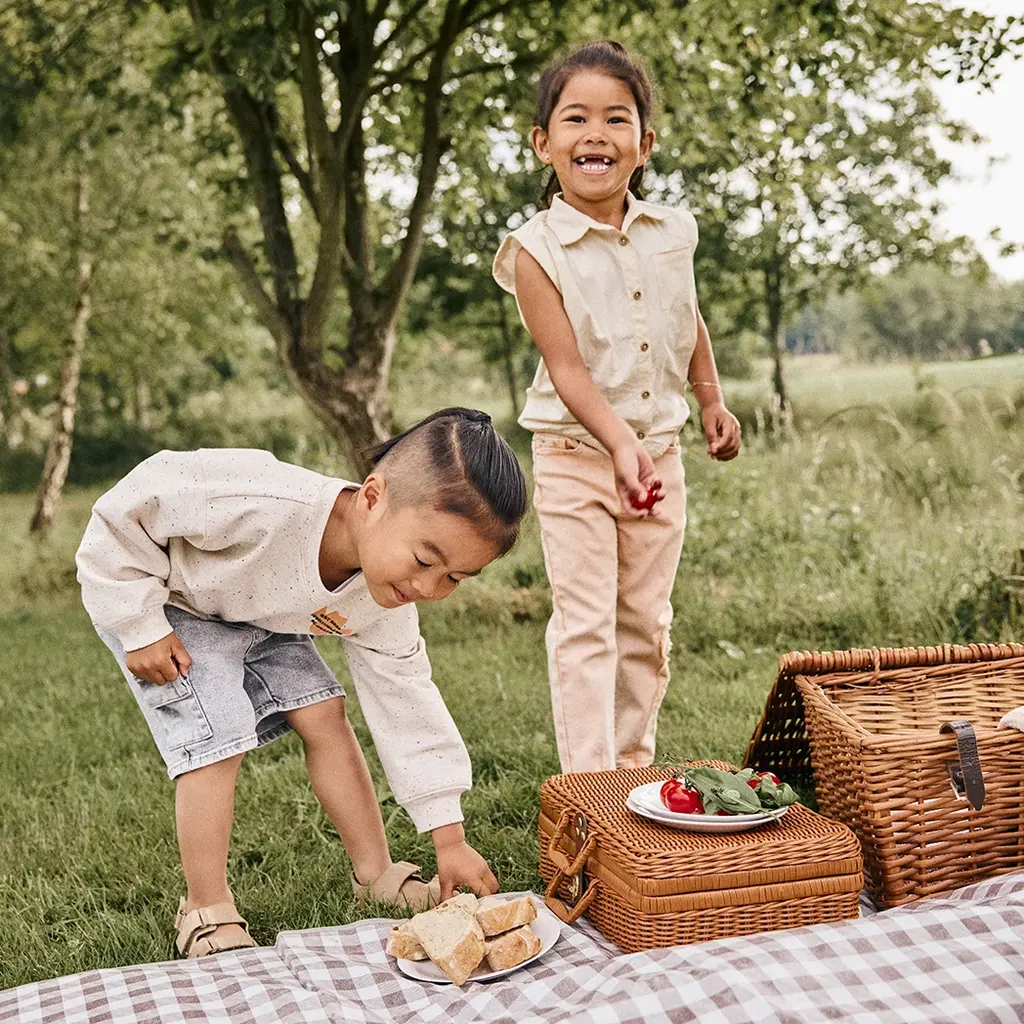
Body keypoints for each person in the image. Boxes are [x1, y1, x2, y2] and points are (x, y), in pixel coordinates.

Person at [75, 408, 527, 958]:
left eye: (454, 577)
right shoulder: (263, 504)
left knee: (324, 714)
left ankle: (375, 875)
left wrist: (448, 838)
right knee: (219, 737)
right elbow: (124, 512)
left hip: (261, 613)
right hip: (169, 602)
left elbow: (408, 704)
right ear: (371, 498)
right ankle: (206, 908)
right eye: (425, 559)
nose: (430, 587)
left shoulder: (386, 598)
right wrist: (136, 624)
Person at [492, 41, 741, 774]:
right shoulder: (536, 251)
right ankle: (591, 788)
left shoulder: (674, 234)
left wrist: (711, 399)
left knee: (644, 624)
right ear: (544, 144)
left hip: (659, 459)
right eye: (575, 119)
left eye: (616, 119)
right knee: (588, 627)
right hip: (576, 461)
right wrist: (618, 448)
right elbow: (568, 371)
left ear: (644, 144)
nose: (595, 134)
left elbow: (686, 318)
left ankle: (632, 775)